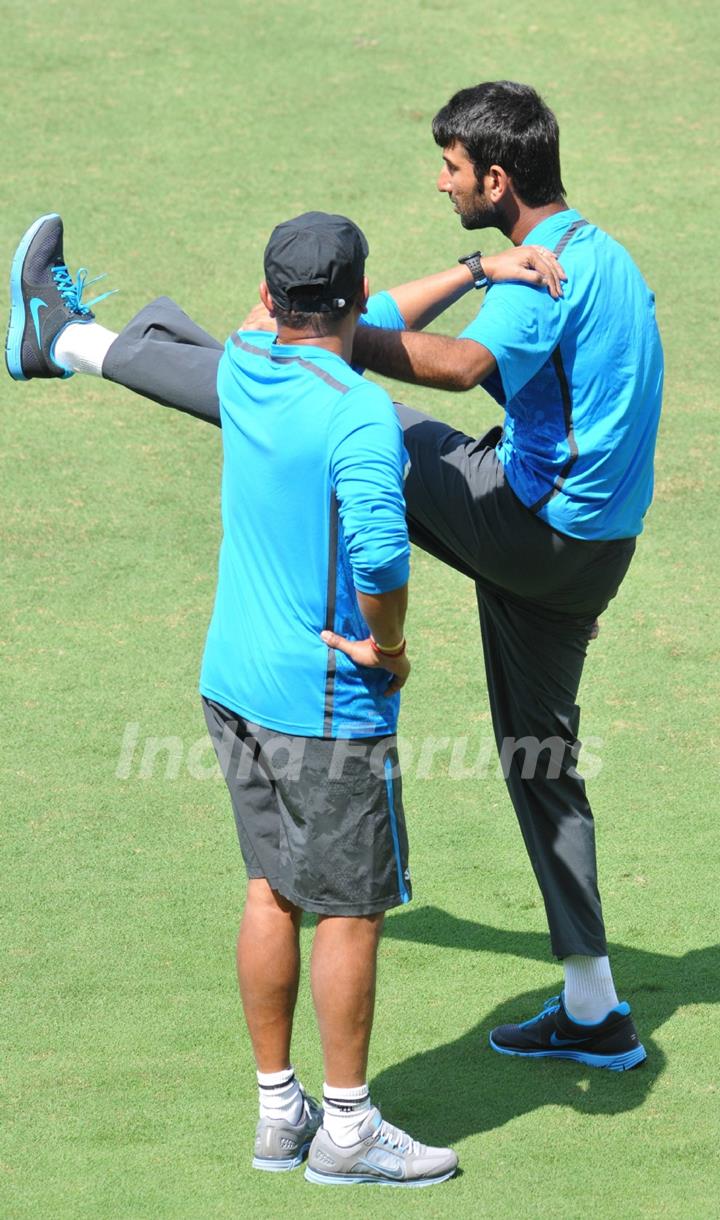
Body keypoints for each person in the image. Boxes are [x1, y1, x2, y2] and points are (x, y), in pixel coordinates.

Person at [6, 81, 661, 1075]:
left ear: (497, 176)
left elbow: (448, 365)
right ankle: (594, 1001)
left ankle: (65, 339)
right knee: (544, 757)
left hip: (533, 532)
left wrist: (328, 327)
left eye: (450, 167)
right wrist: (472, 265)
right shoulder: (599, 254)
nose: (439, 181)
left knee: (305, 392)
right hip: (593, 555)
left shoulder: (542, 283)